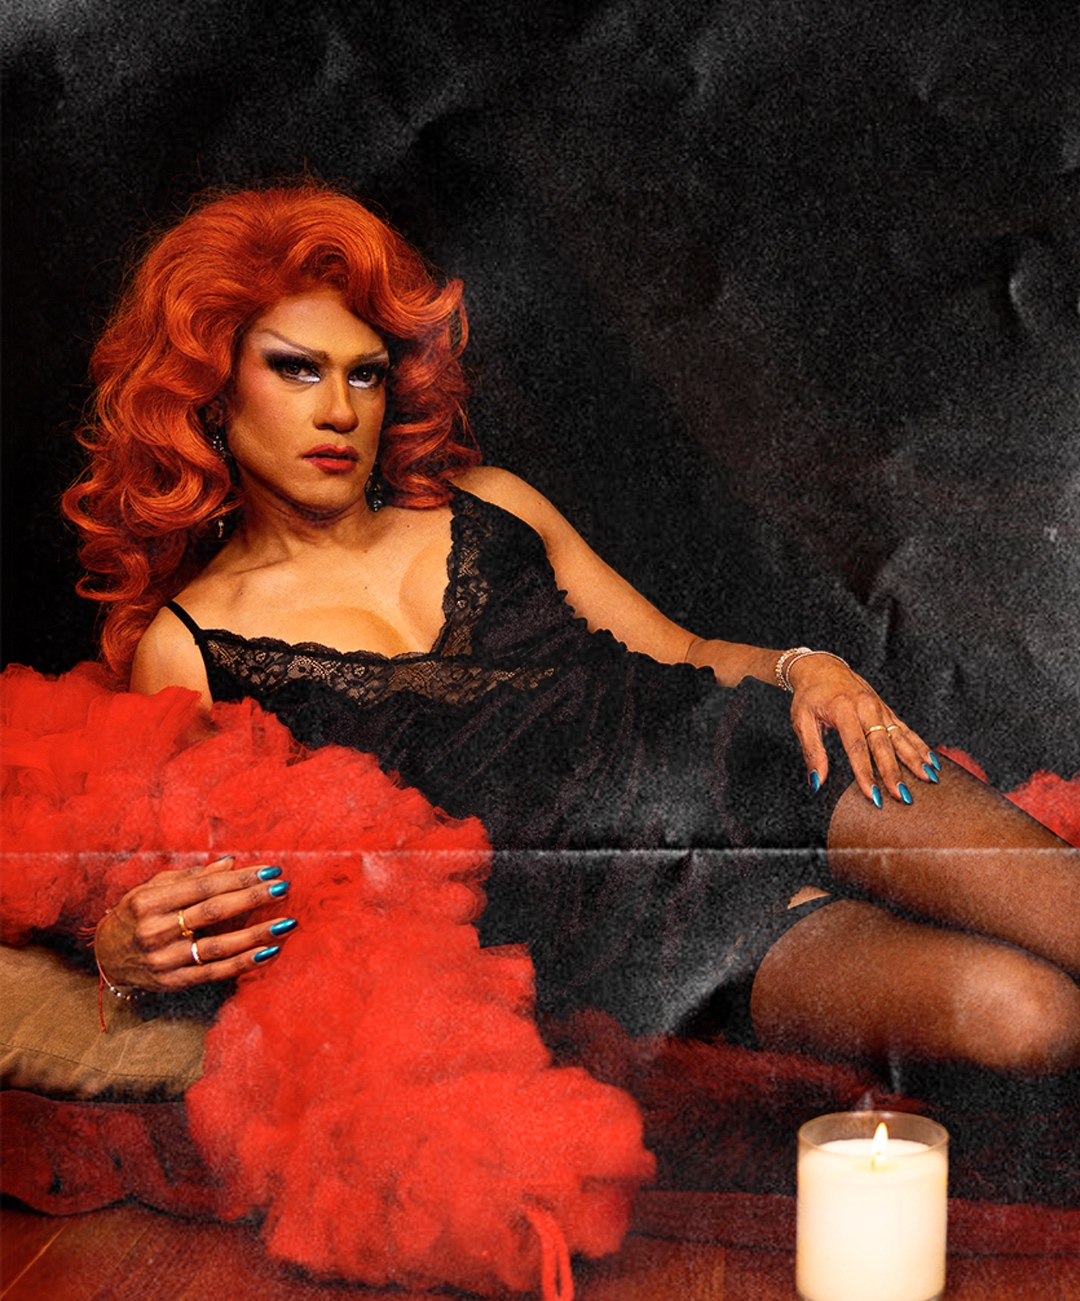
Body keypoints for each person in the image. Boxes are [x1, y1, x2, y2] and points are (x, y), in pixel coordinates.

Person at [64, 182, 1079, 1077]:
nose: (337, 410)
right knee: (1031, 1017)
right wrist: (117, 951)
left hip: (761, 763)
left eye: (363, 373)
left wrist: (809, 667)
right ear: (210, 387)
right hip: (639, 941)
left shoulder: (493, 503)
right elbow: (199, 902)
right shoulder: (190, 648)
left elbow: (682, 652)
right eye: (296, 370)